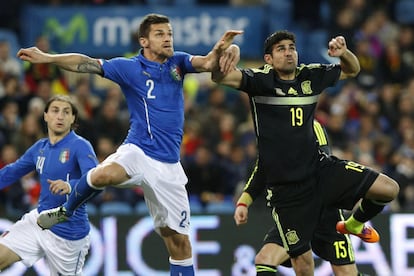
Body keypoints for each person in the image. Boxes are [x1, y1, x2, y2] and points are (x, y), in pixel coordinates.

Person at [17, 13, 242, 276]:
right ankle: (66, 210)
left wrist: (230, 49)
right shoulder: (128, 68)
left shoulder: (178, 62)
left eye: (169, 33)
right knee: (103, 174)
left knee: (178, 243)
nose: (167, 38)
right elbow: (85, 63)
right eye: (160, 34)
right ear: (144, 40)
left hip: (169, 165)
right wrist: (47, 58)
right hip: (138, 150)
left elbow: (208, 63)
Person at [212, 30, 399, 275]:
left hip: (321, 174)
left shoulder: (311, 75)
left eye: (291, 47)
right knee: (298, 264)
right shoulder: (260, 82)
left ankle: (353, 224)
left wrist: (344, 53)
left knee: (389, 189)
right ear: (268, 58)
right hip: (289, 194)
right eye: (281, 49)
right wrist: (226, 53)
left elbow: (352, 70)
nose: (289, 52)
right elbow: (219, 77)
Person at [235, 120, 360, 275]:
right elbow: (262, 170)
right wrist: (243, 203)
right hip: (293, 213)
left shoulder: (312, 126)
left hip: (323, 211)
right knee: (265, 259)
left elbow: (323, 163)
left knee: (345, 273)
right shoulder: (269, 133)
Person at [0, 95, 98, 275]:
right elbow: (12, 171)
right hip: (39, 221)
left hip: (68, 233)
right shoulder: (40, 148)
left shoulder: (81, 146)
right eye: (55, 110)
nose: (60, 116)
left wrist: (70, 186)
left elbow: (96, 182)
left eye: (66, 112)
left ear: (73, 118)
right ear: (45, 115)